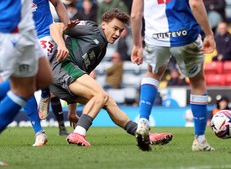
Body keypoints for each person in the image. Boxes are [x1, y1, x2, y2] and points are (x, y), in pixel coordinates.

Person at [48, 8, 172, 149]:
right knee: (99, 95)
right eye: (115, 28)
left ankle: (143, 134)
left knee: (107, 101)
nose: (117, 34)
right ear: (104, 25)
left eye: (120, 30)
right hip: (62, 66)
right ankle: (78, 133)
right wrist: (62, 45)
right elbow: (55, 26)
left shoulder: (102, 48)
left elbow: (82, 75)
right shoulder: (91, 28)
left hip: (63, 77)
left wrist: (72, 111)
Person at [130, 0, 216, 151]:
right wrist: (209, 33)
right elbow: (195, 2)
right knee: (197, 81)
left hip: (155, 36)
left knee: (153, 74)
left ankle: (143, 121)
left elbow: (135, 14)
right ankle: (199, 139)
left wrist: (137, 44)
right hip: (185, 35)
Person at [0, 0, 78, 134]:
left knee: (43, 78)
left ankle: (44, 95)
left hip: (35, 34)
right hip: (12, 32)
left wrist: (66, 25)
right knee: (23, 86)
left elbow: (56, 3)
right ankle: (38, 131)